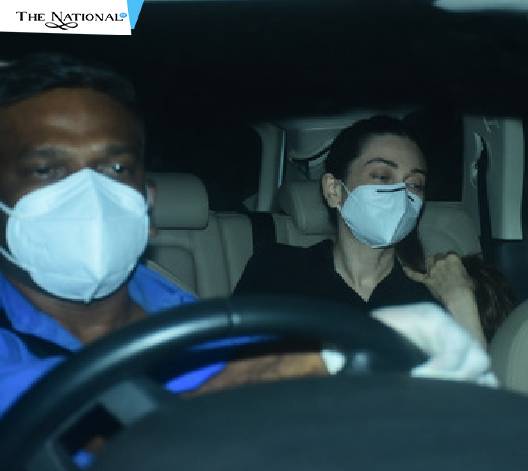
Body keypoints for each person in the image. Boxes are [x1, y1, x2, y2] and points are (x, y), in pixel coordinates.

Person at [0, 53, 326, 416]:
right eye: (45, 169)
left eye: (117, 167)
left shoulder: (209, 324)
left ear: (148, 203)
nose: (90, 193)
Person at [235, 116, 487, 345]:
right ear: (334, 190)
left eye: (415, 184)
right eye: (382, 176)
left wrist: (461, 302)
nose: (401, 195)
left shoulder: (430, 295)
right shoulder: (276, 270)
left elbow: (473, 381)